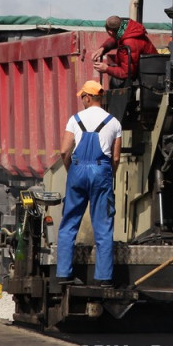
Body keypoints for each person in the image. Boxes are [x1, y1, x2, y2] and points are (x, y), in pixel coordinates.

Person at [56, 80, 124, 287]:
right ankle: (104, 278)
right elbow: (116, 158)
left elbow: (64, 151)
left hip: (78, 170)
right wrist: (107, 177)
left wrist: (71, 171)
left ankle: (63, 274)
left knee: (69, 222)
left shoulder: (75, 119)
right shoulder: (114, 122)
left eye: (82, 97)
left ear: (87, 97)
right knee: (103, 226)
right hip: (101, 170)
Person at [91, 15, 158, 83]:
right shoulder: (129, 29)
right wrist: (103, 48)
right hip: (150, 69)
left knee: (115, 82)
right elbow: (115, 39)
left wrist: (107, 69)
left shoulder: (128, 43)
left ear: (110, 32)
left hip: (147, 77)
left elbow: (127, 73)